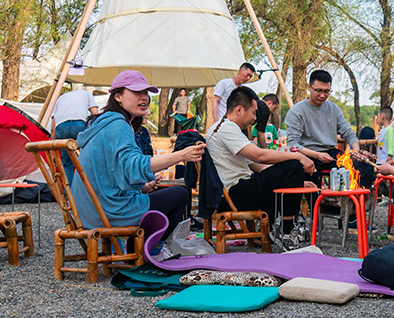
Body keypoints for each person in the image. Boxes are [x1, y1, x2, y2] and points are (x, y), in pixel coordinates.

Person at [72, 71, 204, 237]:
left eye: (145, 93)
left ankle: (137, 249)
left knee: (159, 194)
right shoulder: (118, 125)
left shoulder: (104, 123)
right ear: (118, 96)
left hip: (88, 210)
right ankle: (150, 251)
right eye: (136, 92)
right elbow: (136, 166)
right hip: (108, 211)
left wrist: (142, 187)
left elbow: (112, 173)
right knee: (181, 195)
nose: (144, 98)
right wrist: (182, 155)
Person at [206, 86, 316, 249]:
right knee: (293, 165)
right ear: (239, 110)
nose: (255, 118)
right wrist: (298, 156)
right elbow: (259, 155)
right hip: (233, 196)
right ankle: (285, 230)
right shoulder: (226, 129)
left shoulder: (227, 128)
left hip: (236, 192)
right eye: (253, 112)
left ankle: (278, 229)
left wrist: (295, 182)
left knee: (292, 170)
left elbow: (257, 166)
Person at [284, 70, 360, 183]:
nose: (322, 95)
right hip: (307, 153)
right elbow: (293, 144)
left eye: (327, 91)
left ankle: (355, 198)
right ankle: (315, 199)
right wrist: (317, 155)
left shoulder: (334, 109)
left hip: (330, 152)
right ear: (309, 87)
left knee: (360, 166)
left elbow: (348, 133)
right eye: (318, 90)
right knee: (306, 169)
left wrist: (356, 149)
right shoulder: (297, 111)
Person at [51, 88, 99, 183]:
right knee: (85, 160)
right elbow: (96, 115)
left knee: (67, 164)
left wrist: (53, 151)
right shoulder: (86, 94)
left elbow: (53, 126)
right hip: (79, 124)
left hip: (61, 127)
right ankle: (86, 191)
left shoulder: (60, 98)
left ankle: (70, 195)